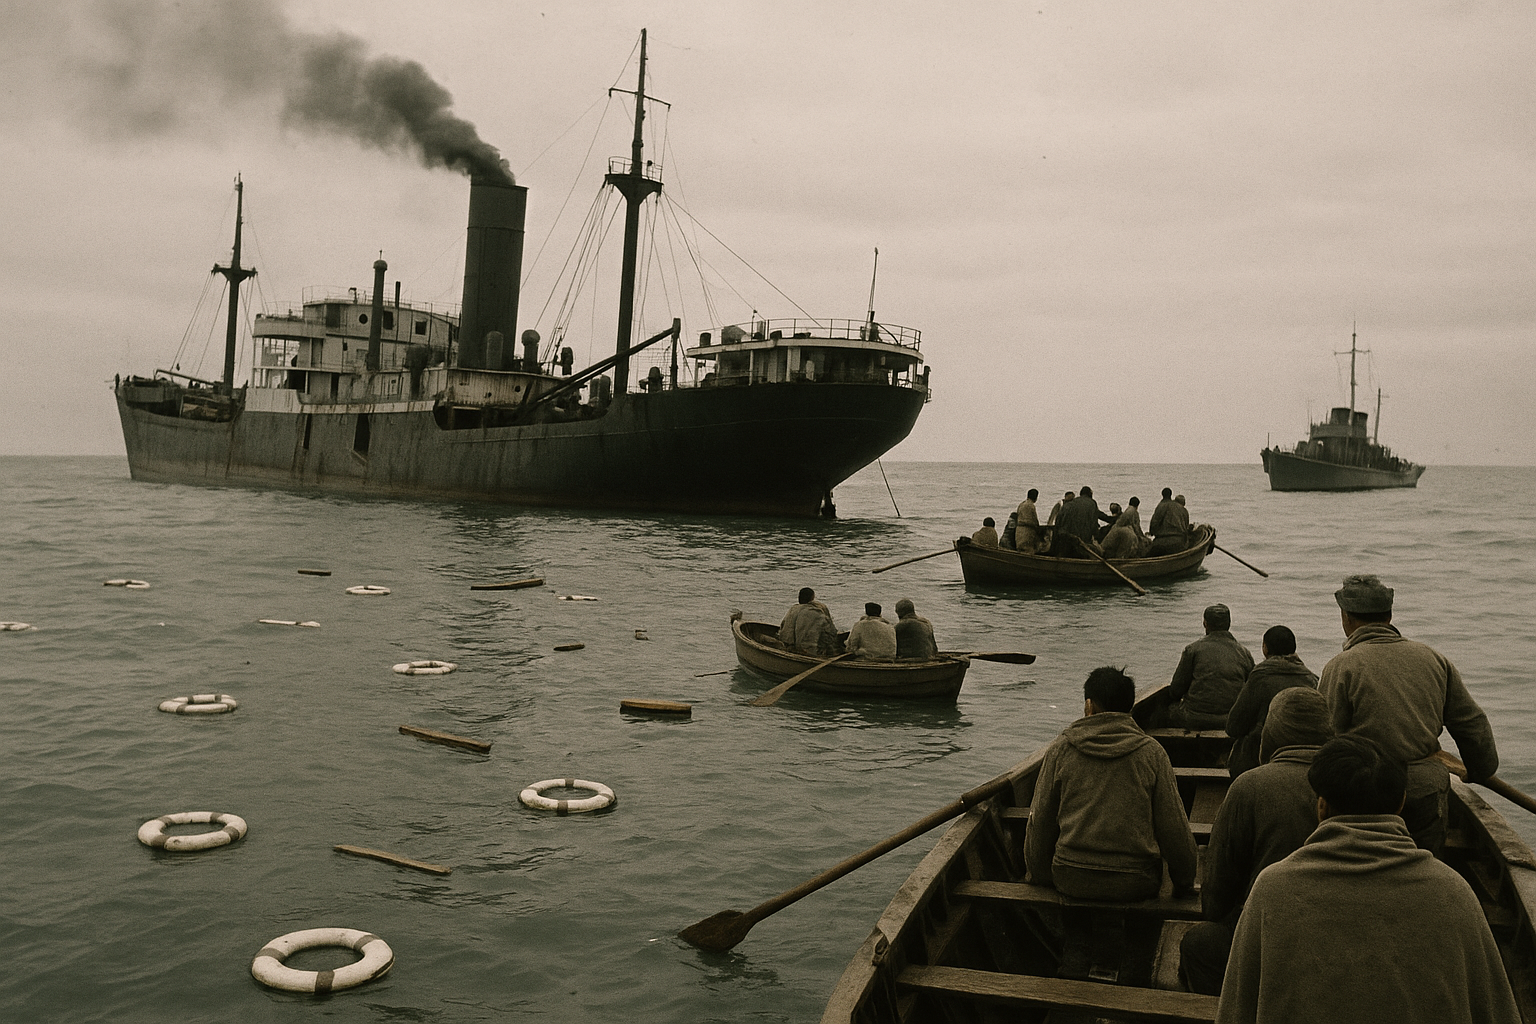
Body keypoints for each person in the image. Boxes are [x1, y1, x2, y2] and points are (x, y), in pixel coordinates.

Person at [1214, 735, 1520, 1024]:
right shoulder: (1453, 892)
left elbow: (1235, 1012)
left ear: (1321, 807)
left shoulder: (1272, 890)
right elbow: (1498, 1011)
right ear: (1401, 803)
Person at [1318, 573, 1498, 854]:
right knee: (1423, 859)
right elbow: (1471, 723)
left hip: (1367, 791)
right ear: (1389, 616)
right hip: (1425, 786)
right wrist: (1479, 771)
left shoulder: (1341, 667)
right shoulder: (1434, 659)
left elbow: (1327, 736)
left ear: (1346, 618)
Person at [1179, 688, 1334, 995]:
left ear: (1270, 736)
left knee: (1198, 944)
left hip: (1270, 936)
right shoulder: (1350, 784)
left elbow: (1217, 894)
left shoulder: (1249, 786)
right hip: (1335, 938)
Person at [1024, 667, 1198, 901]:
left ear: (1089, 706)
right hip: (1135, 882)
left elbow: (1040, 821)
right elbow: (1173, 829)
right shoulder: (1152, 754)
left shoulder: (1061, 749)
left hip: (1071, 878)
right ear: (1129, 707)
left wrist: (1040, 876)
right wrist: (1184, 882)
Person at [1223, 625, 1318, 778]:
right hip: (1304, 758)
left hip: (1262, 760)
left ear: (1265, 649)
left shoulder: (1260, 678)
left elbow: (1233, 726)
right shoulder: (1312, 680)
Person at [1149, 604, 1254, 729]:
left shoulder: (1192, 650)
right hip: (1230, 720)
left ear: (1205, 623)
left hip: (1194, 719)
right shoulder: (1244, 653)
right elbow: (1251, 688)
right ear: (1229, 624)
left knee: (1163, 710)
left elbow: (1176, 691)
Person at [1052, 485, 1114, 557]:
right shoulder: (1091, 503)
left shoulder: (1069, 504)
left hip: (1066, 540)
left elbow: (1058, 523)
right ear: (1090, 494)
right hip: (1083, 541)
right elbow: (1094, 525)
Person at [778, 587, 838, 656]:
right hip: (808, 651)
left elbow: (782, 627)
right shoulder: (816, 612)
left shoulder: (793, 609)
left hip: (787, 646)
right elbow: (831, 635)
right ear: (812, 599)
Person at [1146, 487, 1190, 556]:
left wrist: (1152, 533)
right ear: (1171, 495)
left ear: (1162, 495)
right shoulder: (1182, 509)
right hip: (1179, 542)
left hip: (1161, 543)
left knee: (1150, 553)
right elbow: (1186, 528)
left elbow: (1154, 524)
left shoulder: (1160, 506)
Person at [1015, 488, 1045, 553]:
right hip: (1028, 532)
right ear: (1035, 497)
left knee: (1020, 550)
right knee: (1028, 550)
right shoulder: (1031, 506)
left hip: (1019, 531)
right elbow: (1034, 520)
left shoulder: (1021, 504)